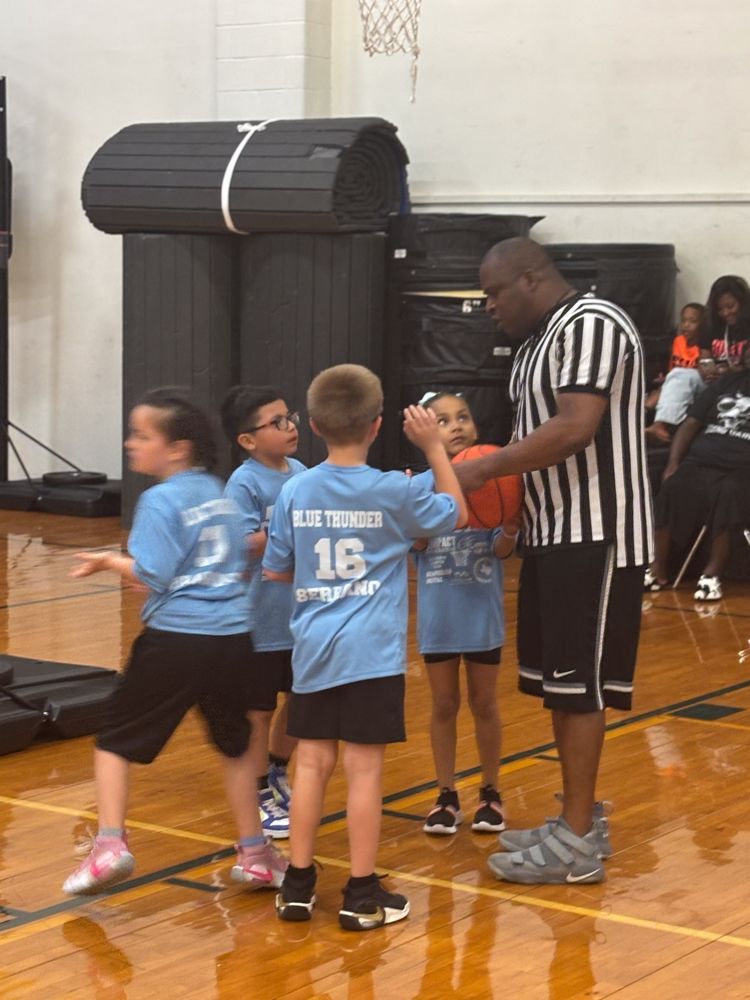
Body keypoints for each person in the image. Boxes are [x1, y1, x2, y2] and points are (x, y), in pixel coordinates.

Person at [454, 238, 653, 885]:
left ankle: (577, 841)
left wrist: (484, 467)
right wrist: (509, 513)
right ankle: (576, 820)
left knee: (581, 689)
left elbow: (574, 427)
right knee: (560, 693)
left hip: (598, 533)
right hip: (553, 533)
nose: (488, 307)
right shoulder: (537, 345)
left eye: (493, 293)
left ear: (531, 279)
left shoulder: (592, 323)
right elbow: (532, 438)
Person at [262, 364, 467, 929]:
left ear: (314, 423)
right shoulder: (393, 490)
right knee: (364, 771)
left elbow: (277, 570)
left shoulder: (295, 490)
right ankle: (359, 893)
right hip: (371, 656)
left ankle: (298, 885)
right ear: (378, 425)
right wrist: (434, 451)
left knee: (311, 762)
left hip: (314, 649)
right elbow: (455, 513)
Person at [63, 389, 287, 895]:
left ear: (177, 449)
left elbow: (153, 575)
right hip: (233, 640)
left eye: (142, 435)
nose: (130, 443)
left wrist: (108, 561)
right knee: (235, 748)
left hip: (178, 639)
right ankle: (254, 854)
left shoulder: (159, 499)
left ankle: (110, 847)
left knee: (113, 742)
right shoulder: (220, 493)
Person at [411, 391, 519, 837]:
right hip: (439, 621)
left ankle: (490, 792)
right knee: (443, 706)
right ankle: (446, 794)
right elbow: (416, 545)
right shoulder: (418, 487)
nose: (456, 425)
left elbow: (500, 550)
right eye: (443, 420)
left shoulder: (495, 480)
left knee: (484, 704)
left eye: (463, 416)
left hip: (482, 618)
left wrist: (511, 523)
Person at [222, 385, 307, 841]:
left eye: (289, 416)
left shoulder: (304, 472)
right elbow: (240, 542)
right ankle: (257, 792)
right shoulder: (246, 482)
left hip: (301, 617)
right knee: (258, 710)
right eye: (276, 422)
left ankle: (276, 772)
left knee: (301, 698)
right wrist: (284, 530)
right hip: (260, 620)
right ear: (248, 441)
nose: (289, 425)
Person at [644, 342, 750, 601]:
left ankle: (712, 574)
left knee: (729, 492)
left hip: (740, 468)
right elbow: (691, 423)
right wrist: (673, 463)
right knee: (673, 486)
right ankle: (658, 570)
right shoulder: (726, 383)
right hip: (702, 460)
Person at [648, 277, 750, 444]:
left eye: (730, 307)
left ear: (743, 303)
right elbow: (704, 356)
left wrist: (730, 372)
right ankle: (661, 426)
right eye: (720, 309)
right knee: (680, 373)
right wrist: (707, 370)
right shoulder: (714, 326)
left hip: (741, 384)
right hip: (715, 382)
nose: (725, 313)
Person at [645, 302, 706, 443]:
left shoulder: (703, 346)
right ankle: (641, 414)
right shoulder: (678, 342)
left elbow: (699, 374)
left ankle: (660, 426)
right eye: (683, 320)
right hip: (676, 382)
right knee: (658, 391)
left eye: (692, 321)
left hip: (692, 387)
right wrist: (665, 378)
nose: (686, 325)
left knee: (677, 378)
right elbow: (673, 369)